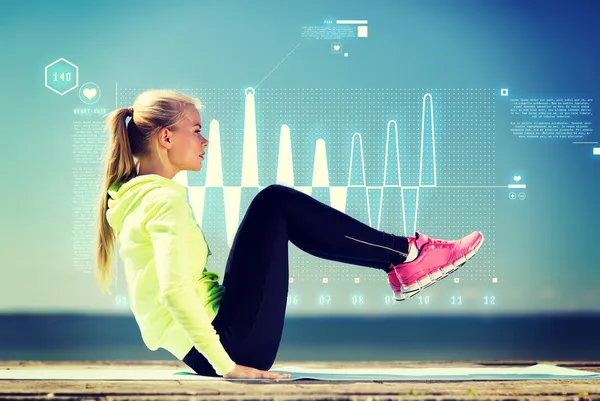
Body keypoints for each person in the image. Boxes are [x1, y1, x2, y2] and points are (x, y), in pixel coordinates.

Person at [95, 89, 484, 380]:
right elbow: (173, 292)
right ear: (166, 138)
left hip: (211, 342)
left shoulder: (134, 198)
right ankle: (408, 256)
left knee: (273, 205)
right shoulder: (162, 201)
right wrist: (228, 367)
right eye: (195, 130)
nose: (204, 141)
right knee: (275, 203)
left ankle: (405, 257)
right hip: (228, 346)